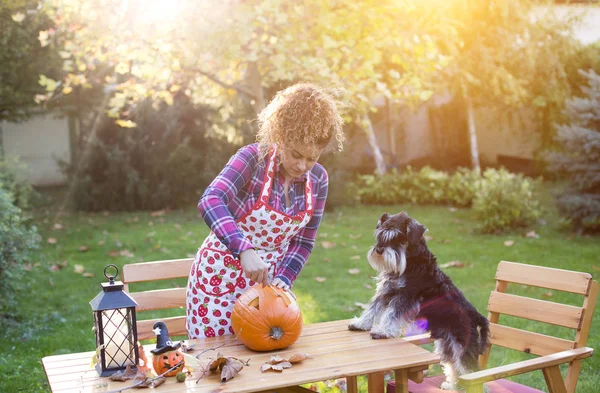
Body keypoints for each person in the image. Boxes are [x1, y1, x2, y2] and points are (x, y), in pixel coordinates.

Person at [185, 83, 345, 339]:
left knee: (266, 364)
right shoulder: (252, 158)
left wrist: (285, 277)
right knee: (216, 366)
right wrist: (244, 249)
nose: (302, 165)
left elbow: (304, 242)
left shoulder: (318, 179)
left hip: (267, 289)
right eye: (296, 154)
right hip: (220, 279)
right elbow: (211, 199)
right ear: (280, 136)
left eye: (312, 158)